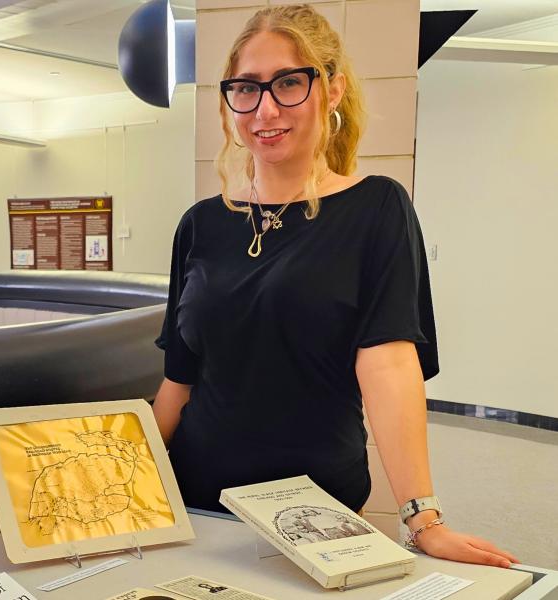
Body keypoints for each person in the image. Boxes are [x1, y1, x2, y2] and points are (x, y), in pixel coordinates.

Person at [152, 4, 518, 568]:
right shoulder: (201, 222)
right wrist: (130, 484)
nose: (266, 108)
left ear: (332, 90)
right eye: (246, 89)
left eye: (289, 83)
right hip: (200, 501)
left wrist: (424, 520)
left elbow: (391, 368)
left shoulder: (376, 207)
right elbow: (179, 376)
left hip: (315, 508)